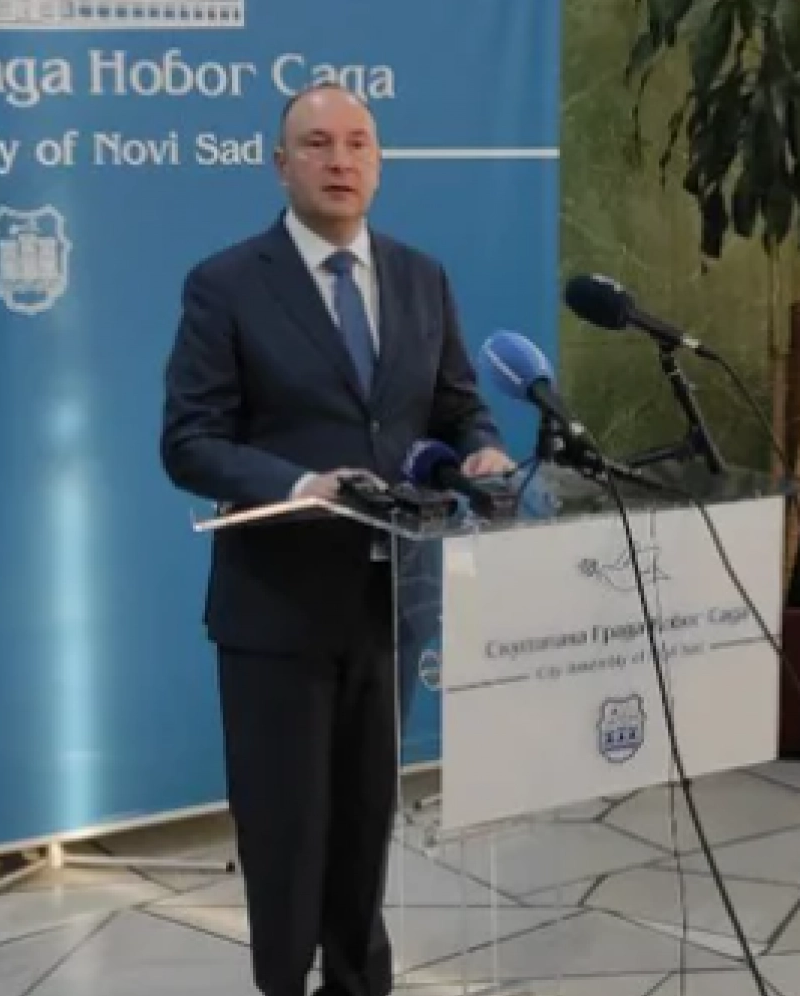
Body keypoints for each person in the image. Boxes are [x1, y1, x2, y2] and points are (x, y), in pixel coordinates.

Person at [160, 81, 514, 996]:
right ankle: (282, 983)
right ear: (280, 165)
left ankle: (360, 983)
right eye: (316, 145)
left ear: (380, 163)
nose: (339, 161)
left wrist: (479, 452)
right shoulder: (225, 284)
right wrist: (297, 485)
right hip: (277, 605)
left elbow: (457, 406)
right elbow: (189, 442)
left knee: (364, 820)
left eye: (357, 143)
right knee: (285, 831)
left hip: (392, 600)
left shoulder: (421, 276)